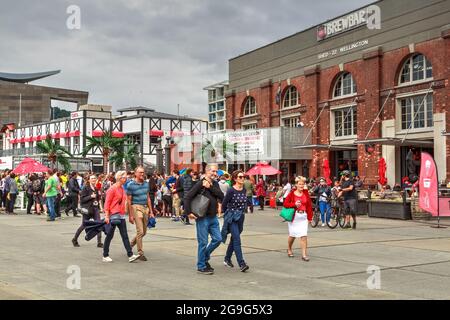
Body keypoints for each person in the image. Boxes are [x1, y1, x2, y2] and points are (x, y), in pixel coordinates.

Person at [184, 163, 224, 275]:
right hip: (202, 218)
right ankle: (201, 266)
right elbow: (187, 197)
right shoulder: (199, 183)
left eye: (216, 171)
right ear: (207, 171)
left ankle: (204, 257)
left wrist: (210, 187)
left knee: (218, 239)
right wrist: (188, 213)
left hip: (213, 217)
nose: (215, 174)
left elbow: (221, 196)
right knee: (203, 242)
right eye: (213, 171)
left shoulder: (215, 183)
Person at [103, 171, 140, 263]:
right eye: (124, 177)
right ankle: (105, 255)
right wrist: (107, 216)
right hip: (113, 215)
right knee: (109, 235)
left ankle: (130, 255)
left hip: (121, 215)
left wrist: (129, 214)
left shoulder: (122, 188)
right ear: (119, 178)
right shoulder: (112, 189)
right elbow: (107, 203)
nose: (126, 179)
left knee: (125, 235)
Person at [221, 170, 250, 272]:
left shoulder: (244, 189)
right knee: (237, 240)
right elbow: (224, 204)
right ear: (235, 178)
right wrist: (227, 215)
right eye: (240, 177)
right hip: (232, 218)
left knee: (234, 239)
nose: (242, 178)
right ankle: (241, 263)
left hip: (241, 217)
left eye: (243, 177)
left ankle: (227, 259)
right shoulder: (230, 190)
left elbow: (245, 201)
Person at [127, 166, 155, 261]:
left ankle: (130, 245)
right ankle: (140, 252)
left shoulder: (146, 184)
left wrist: (151, 211)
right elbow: (129, 201)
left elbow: (148, 198)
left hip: (145, 208)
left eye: (143, 172)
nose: (142, 174)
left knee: (144, 232)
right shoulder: (131, 185)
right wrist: (130, 215)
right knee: (140, 231)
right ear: (135, 173)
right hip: (136, 207)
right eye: (140, 172)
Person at [283, 176, 313, 261]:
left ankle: (304, 255)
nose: (301, 186)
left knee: (304, 236)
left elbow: (309, 206)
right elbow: (285, 204)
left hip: (303, 217)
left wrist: (310, 217)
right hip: (294, 217)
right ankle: (289, 248)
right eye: (299, 184)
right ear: (296, 185)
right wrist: (294, 204)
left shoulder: (306, 193)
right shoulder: (291, 194)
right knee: (292, 235)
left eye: (303, 184)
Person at [72, 175, 103, 248]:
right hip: (87, 210)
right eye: (92, 178)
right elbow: (82, 200)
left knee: (99, 224)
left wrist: (101, 208)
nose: (93, 179)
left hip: (95, 209)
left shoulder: (96, 188)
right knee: (84, 225)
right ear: (89, 180)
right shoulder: (85, 188)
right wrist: (90, 197)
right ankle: (74, 239)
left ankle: (99, 242)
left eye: (95, 178)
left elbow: (98, 200)